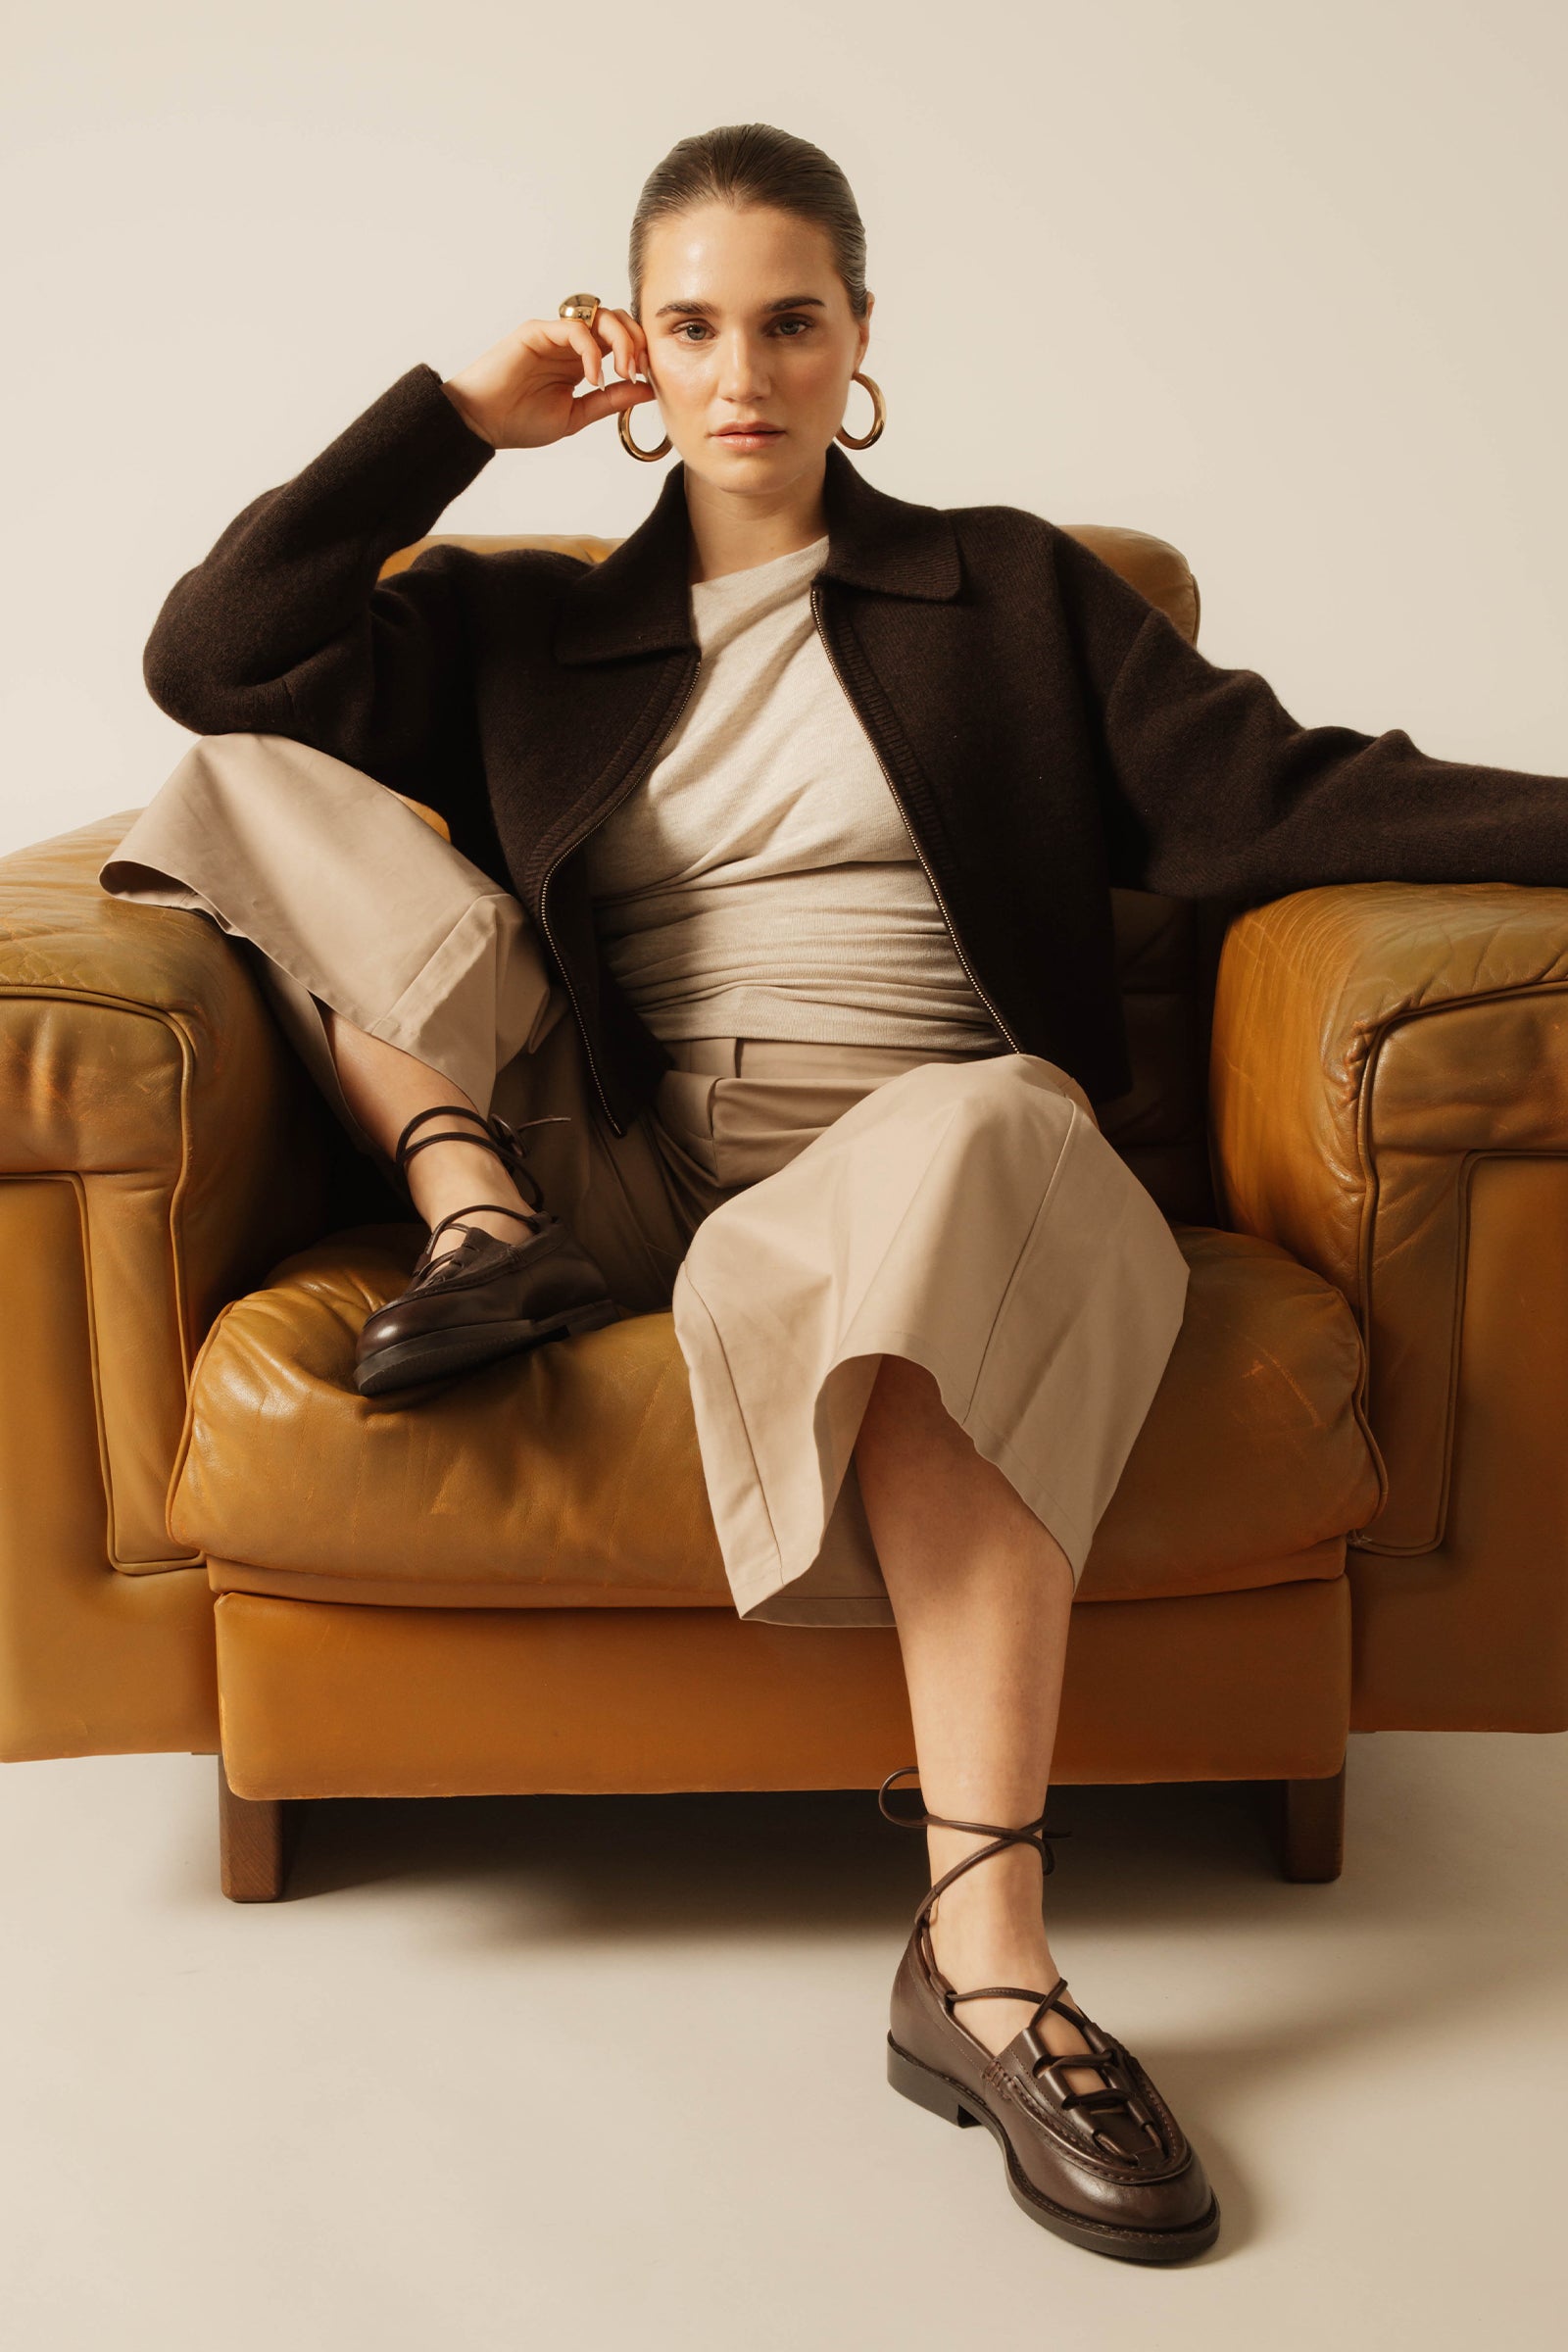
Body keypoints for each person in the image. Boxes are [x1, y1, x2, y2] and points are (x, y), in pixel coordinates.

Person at [107, 122, 1568, 2265]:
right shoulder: (527, 627)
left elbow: (1285, 795)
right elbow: (217, 666)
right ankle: (471, 1217)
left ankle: (984, 1961)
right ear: (631, 352)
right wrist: (455, 423)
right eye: (692, 326)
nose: (744, 372)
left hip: (912, 1156)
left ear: (859, 336)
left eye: (789, 321)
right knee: (235, 779)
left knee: (990, 1128)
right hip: (606, 1157)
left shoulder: (1009, 596)